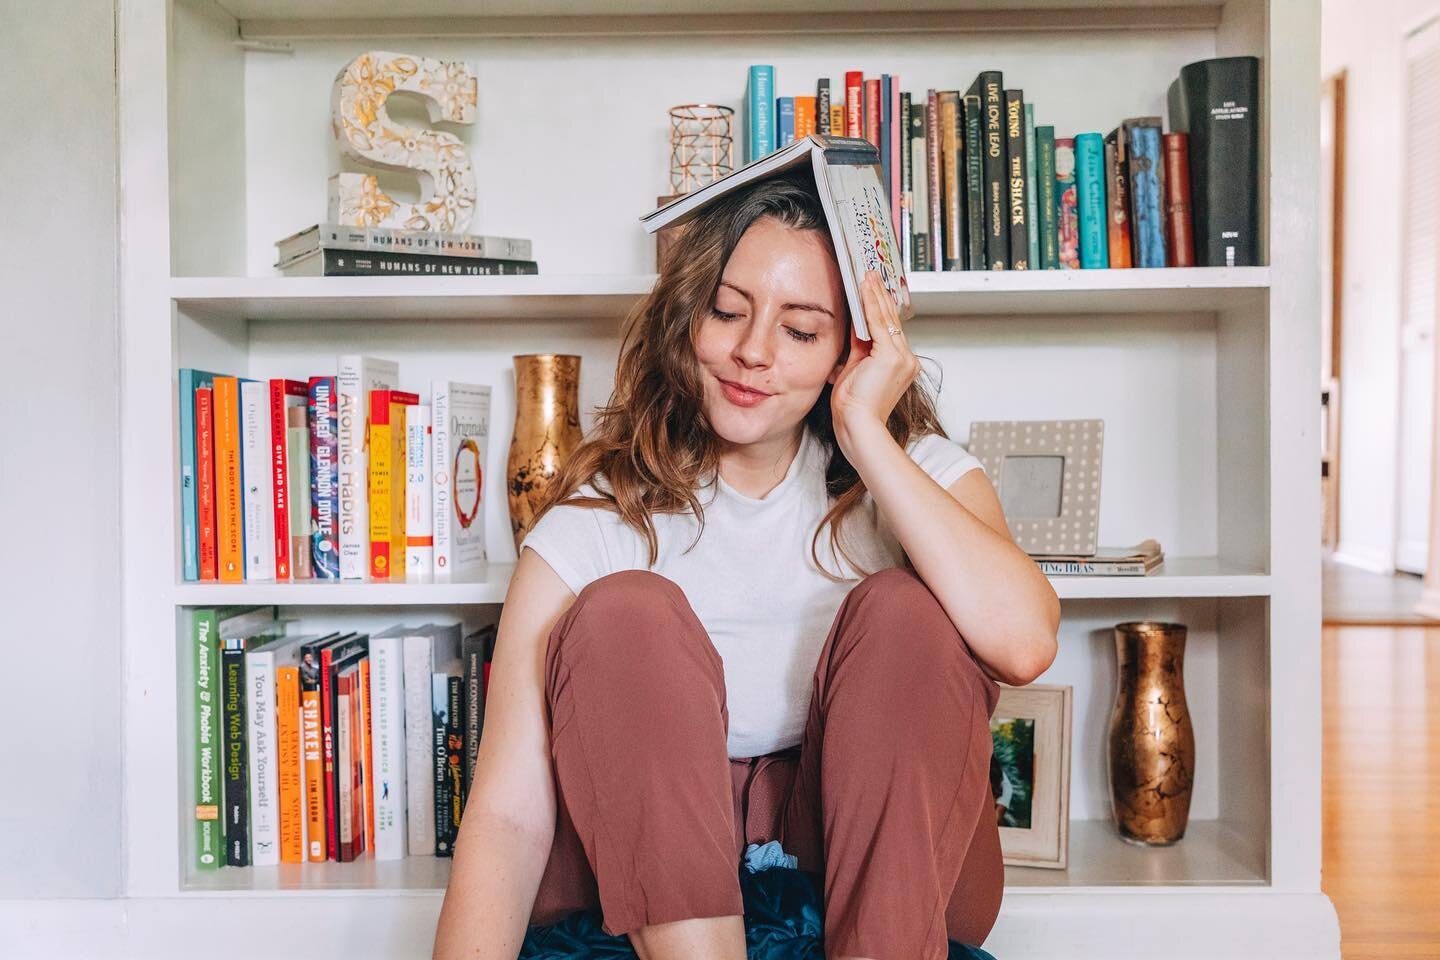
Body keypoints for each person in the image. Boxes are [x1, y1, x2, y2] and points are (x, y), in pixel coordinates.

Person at [432, 170, 1060, 960]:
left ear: (852, 348)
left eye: (801, 330)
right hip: (645, 864)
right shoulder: (598, 512)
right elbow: (508, 813)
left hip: (870, 863)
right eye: (727, 311)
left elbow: (1025, 643)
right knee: (627, 610)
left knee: (906, 609)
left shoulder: (915, 473)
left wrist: (867, 434)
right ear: (686, 316)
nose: (752, 352)